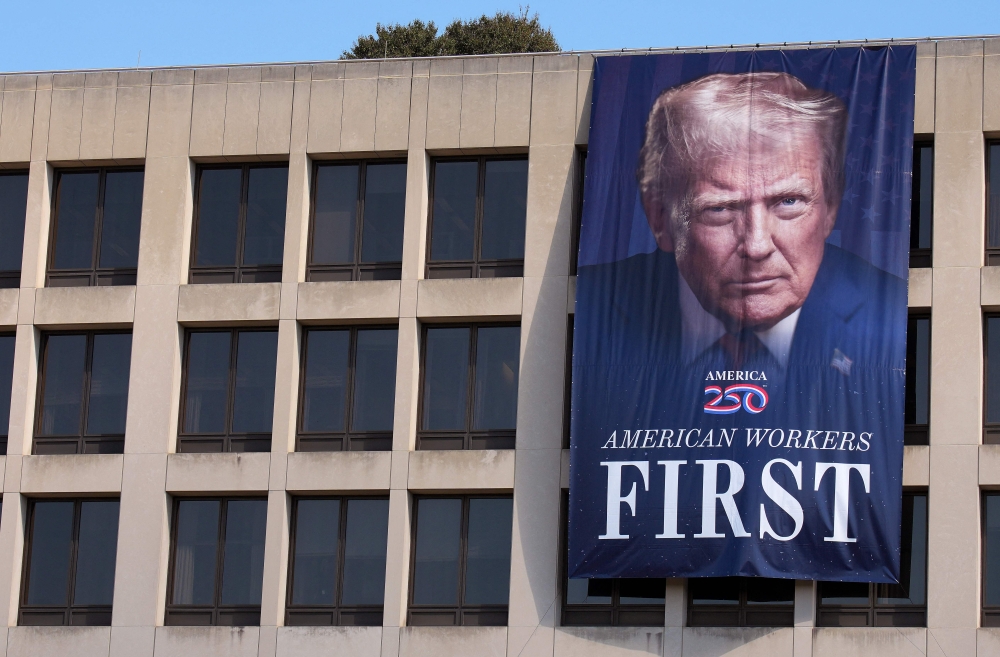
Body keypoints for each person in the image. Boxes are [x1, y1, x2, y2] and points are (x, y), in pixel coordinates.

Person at [574, 71, 906, 428]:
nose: (757, 245)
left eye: (789, 201)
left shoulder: (887, 309)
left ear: (831, 209)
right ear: (660, 219)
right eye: (720, 209)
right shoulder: (594, 307)